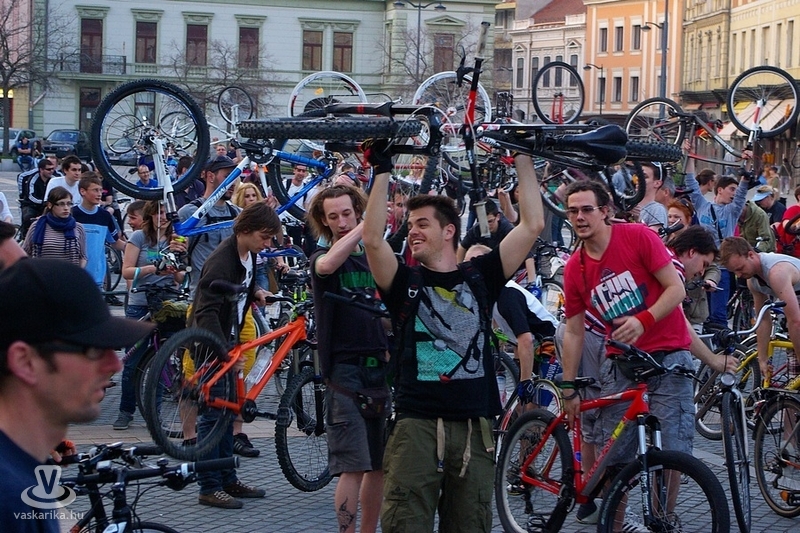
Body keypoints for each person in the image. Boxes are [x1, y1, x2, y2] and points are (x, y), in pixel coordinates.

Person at [362, 140, 544, 532]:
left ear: (448, 231)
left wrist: (523, 157)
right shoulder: (404, 282)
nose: (413, 232)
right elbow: (373, 240)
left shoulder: (481, 276)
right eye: (410, 225)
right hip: (416, 427)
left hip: (475, 429)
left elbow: (532, 225)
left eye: (422, 224)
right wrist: (381, 170)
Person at [560, 181, 736, 469]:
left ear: (605, 211)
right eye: (573, 211)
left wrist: (643, 321)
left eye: (587, 209)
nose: (579, 217)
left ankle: (666, 502)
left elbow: (676, 290)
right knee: (613, 458)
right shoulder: (573, 268)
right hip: (622, 362)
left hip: (669, 356)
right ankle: (604, 498)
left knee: (675, 453)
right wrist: (568, 386)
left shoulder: (638, 237)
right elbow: (573, 331)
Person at [0, 259, 152, 532]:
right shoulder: (8, 500)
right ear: (25, 362)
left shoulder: (23, 473)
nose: (114, 364)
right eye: (92, 350)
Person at [306, 184, 389, 533]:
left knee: (378, 466)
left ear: (356, 211)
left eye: (347, 214)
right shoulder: (322, 258)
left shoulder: (375, 258)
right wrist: (367, 225)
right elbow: (326, 265)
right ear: (324, 222)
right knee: (352, 467)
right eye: (333, 217)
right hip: (344, 375)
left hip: (379, 372)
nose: (341, 222)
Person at [191, 202, 281, 509]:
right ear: (245, 230)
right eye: (264, 237)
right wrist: (223, 352)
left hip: (229, 339)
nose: (267, 244)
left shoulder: (247, 254)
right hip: (212, 343)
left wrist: (256, 292)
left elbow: (241, 284)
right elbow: (206, 311)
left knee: (228, 413)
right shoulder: (221, 260)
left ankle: (228, 478)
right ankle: (209, 486)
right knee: (213, 415)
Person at [113, 200, 187, 430]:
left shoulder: (176, 239)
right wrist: (153, 268)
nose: (162, 217)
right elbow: (126, 271)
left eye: (165, 213)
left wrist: (177, 268)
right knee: (134, 360)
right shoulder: (139, 238)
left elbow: (181, 277)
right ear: (149, 215)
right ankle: (126, 410)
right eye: (158, 213)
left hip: (166, 303)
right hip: (141, 303)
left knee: (160, 360)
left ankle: (154, 414)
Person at [684, 149, 748, 328]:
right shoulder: (702, 205)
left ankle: (720, 343)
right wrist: (689, 155)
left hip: (721, 267)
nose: (735, 193)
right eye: (731, 189)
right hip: (699, 267)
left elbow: (743, 192)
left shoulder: (732, 211)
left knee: (718, 316)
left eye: (736, 190)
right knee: (697, 313)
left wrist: (747, 163)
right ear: (720, 190)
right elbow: (691, 181)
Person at [720, 236, 800, 379]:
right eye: (734, 272)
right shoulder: (752, 280)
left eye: (740, 268)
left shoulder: (776, 272)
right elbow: (763, 319)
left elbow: (795, 321)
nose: (739, 275)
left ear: (751, 255)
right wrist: (762, 358)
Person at [72, 172, 126, 306]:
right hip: (74, 275)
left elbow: (115, 243)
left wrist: (136, 247)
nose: (99, 194)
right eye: (95, 190)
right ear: (83, 191)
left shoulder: (105, 216)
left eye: (101, 190)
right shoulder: (72, 214)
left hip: (97, 276)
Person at [22, 187, 87, 266]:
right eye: (61, 204)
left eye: (69, 204)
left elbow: (82, 257)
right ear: (50, 205)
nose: (66, 208)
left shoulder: (78, 227)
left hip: (69, 272)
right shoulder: (37, 226)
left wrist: (78, 271)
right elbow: (25, 253)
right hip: (42, 272)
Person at [18, 159, 57, 236]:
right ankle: (24, 235)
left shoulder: (53, 179)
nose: (51, 171)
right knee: (28, 217)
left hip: (47, 205)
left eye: (52, 169)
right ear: (41, 170)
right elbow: (31, 196)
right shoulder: (33, 179)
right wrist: (43, 201)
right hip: (31, 205)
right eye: (48, 169)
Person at [633, 162, 668, 231]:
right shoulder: (628, 205)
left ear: (657, 183)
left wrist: (637, 220)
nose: (637, 179)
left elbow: (653, 236)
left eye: (644, 177)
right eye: (637, 175)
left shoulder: (657, 210)